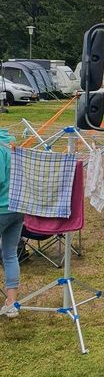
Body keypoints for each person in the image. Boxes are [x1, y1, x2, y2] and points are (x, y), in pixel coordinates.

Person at [0, 127, 24, 319]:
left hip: (1, 209)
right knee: (10, 254)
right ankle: (12, 303)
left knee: (9, 253)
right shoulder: (12, 142)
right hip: (17, 207)